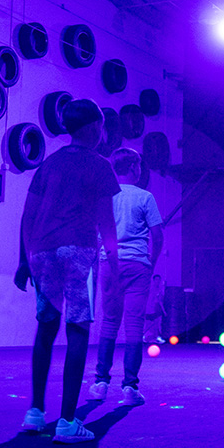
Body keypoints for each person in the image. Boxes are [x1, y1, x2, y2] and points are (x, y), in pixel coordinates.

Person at [17, 99, 120, 444]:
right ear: (94, 127)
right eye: (102, 126)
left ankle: (35, 412)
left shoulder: (48, 164)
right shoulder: (100, 164)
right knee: (78, 329)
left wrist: (22, 260)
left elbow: (27, 215)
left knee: (46, 327)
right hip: (78, 249)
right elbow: (106, 219)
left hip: (42, 251)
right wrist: (115, 263)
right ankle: (66, 421)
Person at [89, 148, 164, 407]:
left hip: (109, 264)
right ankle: (130, 387)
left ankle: (100, 383)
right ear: (133, 167)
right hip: (137, 266)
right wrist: (150, 263)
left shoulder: (104, 196)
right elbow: (158, 236)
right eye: (140, 165)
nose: (141, 169)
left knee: (109, 322)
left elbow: (97, 232)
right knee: (134, 325)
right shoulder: (145, 197)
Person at [142, 274, 167, 345]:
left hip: (156, 308)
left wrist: (163, 310)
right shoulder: (149, 289)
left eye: (158, 280)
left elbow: (160, 301)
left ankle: (156, 337)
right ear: (153, 280)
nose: (157, 281)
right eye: (156, 280)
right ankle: (143, 337)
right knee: (147, 324)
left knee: (157, 323)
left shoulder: (160, 290)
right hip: (149, 309)